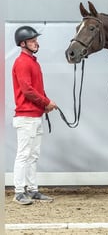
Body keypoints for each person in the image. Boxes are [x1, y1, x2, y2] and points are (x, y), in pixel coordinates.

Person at [12, 26, 57, 205]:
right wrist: (46, 103)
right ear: (23, 43)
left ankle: (32, 189)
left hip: (35, 115)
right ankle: (18, 191)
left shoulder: (33, 62)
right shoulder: (23, 62)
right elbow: (28, 91)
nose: (36, 43)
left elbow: (37, 89)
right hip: (26, 116)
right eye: (32, 41)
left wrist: (44, 104)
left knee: (33, 155)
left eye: (35, 40)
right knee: (24, 154)